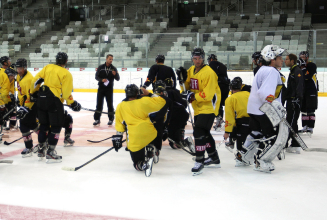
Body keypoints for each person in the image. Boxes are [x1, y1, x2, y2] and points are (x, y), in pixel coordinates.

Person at [237, 45, 289, 173]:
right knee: (272, 136)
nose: (282, 59)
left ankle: (242, 157)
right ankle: (261, 161)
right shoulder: (272, 71)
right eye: (279, 57)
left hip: (254, 108)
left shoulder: (262, 69)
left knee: (256, 133)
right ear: (272, 59)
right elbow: (266, 94)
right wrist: (277, 108)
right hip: (264, 110)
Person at [30, 52, 81, 163]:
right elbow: (67, 93)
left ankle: (41, 149)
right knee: (56, 126)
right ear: (66, 61)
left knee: (43, 125)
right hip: (54, 101)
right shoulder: (66, 73)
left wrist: (33, 93)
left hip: (41, 99)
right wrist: (72, 103)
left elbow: (35, 81)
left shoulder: (47, 67)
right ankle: (51, 152)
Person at [112, 84, 171, 177]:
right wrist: (150, 94)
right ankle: (151, 148)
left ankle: (142, 164)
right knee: (151, 135)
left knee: (136, 162)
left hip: (135, 137)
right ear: (137, 93)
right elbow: (163, 101)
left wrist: (118, 137)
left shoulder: (120, 106)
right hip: (150, 132)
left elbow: (119, 124)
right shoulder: (144, 101)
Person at [180, 48, 221, 176]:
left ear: (203, 58)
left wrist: (192, 97)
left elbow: (208, 94)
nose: (197, 61)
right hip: (198, 107)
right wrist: (181, 80)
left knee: (198, 131)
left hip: (209, 106)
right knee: (205, 133)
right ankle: (214, 158)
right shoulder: (191, 70)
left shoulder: (209, 72)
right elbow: (186, 87)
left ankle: (199, 160)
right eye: (195, 58)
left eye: (199, 58)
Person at [155, 79, 194, 152]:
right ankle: (181, 138)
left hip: (176, 116)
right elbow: (184, 103)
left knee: (175, 142)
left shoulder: (160, 95)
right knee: (174, 141)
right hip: (180, 115)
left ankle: (185, 141)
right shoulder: (172, 92)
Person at [14, 58, 40, 157]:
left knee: (24, 125)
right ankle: (44, 137)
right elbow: (21, 92)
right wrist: (19, 101)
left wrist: (25, 108)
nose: (18, 70)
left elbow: (31, 96)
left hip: (31, 105)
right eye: (17, 68)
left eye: (20, 68)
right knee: (32, 124)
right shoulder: (18, 77)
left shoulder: (29, 79)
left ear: (25, 67)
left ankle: (29, 147)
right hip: (24, 104)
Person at [223, 77, 251, 163]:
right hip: (254, 121)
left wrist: (227, 131)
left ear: (231, 88)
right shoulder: (248, 93)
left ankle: (241, 159)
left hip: (242, 122)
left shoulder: (230, 99)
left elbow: (230, 117)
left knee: (241, 142)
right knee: (251, 141)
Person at [283, 54, 304, 154]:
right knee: (292, 123)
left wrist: (297, 99)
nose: (284, 61)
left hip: (294, 102)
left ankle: (286, 143)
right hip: (291, 101)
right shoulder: (293, 71)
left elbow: (300, 85)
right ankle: (295, 144)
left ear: (292, 61)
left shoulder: (297, 71)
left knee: (290, 123)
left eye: (287, 59)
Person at [93, 54, 120, 126]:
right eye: (110, 59)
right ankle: (97, 119)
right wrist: (101, 80)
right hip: (101, 88)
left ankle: (111, 119)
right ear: (106, 59)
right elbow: (96, 77)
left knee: (110, 105)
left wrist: (115, 75)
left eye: (112, 59)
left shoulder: (114, 68)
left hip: (109, 89)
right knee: (99, 104)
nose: (111, 60)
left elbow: (118, 79)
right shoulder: (101, 67)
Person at [207, 54, 229, 131]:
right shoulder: (223, 65)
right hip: (225, 87)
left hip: (218, 87)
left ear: (211, 60)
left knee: (216, 104)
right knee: (220, 105)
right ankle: (220, 121)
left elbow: (213, 76)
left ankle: (219, 121)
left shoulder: (212, 64)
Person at [298, 51, 318, 135]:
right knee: (303, 110)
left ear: (307, 57)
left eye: (304, 56)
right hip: (303, 91)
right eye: (301, 56)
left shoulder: (311, 65)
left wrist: (303, 67)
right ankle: (305, 126)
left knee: (310, 109)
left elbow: (307, 76)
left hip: (311, 91)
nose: (302, 58)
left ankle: (310, 127)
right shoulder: (299, 66)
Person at [0, 56, 17, 131]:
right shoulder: (1, 72)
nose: (10, 61)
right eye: (8, 60)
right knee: (3, 113)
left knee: (13, 112)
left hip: (11, 95)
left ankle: (12, 126)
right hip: (4, 96)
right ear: (4, 63)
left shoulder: (10, 71)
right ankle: (3, 126)